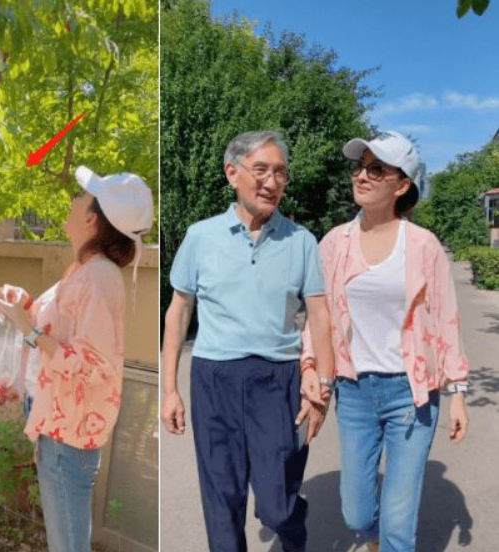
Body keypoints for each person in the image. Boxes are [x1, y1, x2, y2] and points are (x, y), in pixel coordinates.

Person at [161, 130, 335, 552]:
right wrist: (169, 389)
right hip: (213, 377)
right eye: (261, 170)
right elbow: (179, 309)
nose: (272, 182)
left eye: (280, 173)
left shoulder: (302, 242)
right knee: (222, 499)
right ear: (232, 173)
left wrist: (323, 388)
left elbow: (320, 316)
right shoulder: (200, 236)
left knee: (276, 506)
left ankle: (294, 522)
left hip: (276, 381)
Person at [301, 131, 470, 552]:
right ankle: (370, 540)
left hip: (411, 395)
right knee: (357, 512)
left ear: (402, 184)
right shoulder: (334, 243)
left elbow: (446, 319)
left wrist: (458, 393)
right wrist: (311, 369)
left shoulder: (423, 245)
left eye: (376, 168)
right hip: (355, 393)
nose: (362, 175)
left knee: (399, 518)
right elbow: (318, 318)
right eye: (359, 166)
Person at [0, 166, 154, 552]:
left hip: (68, 439)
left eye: (82, 195)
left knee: (67, 545)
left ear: (91, 219)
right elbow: (60, 330)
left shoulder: (98, 277)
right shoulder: (83, 270)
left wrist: (28, 330)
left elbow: (93, 365)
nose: (74, 198)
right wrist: (25, 306)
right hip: (59, 428)